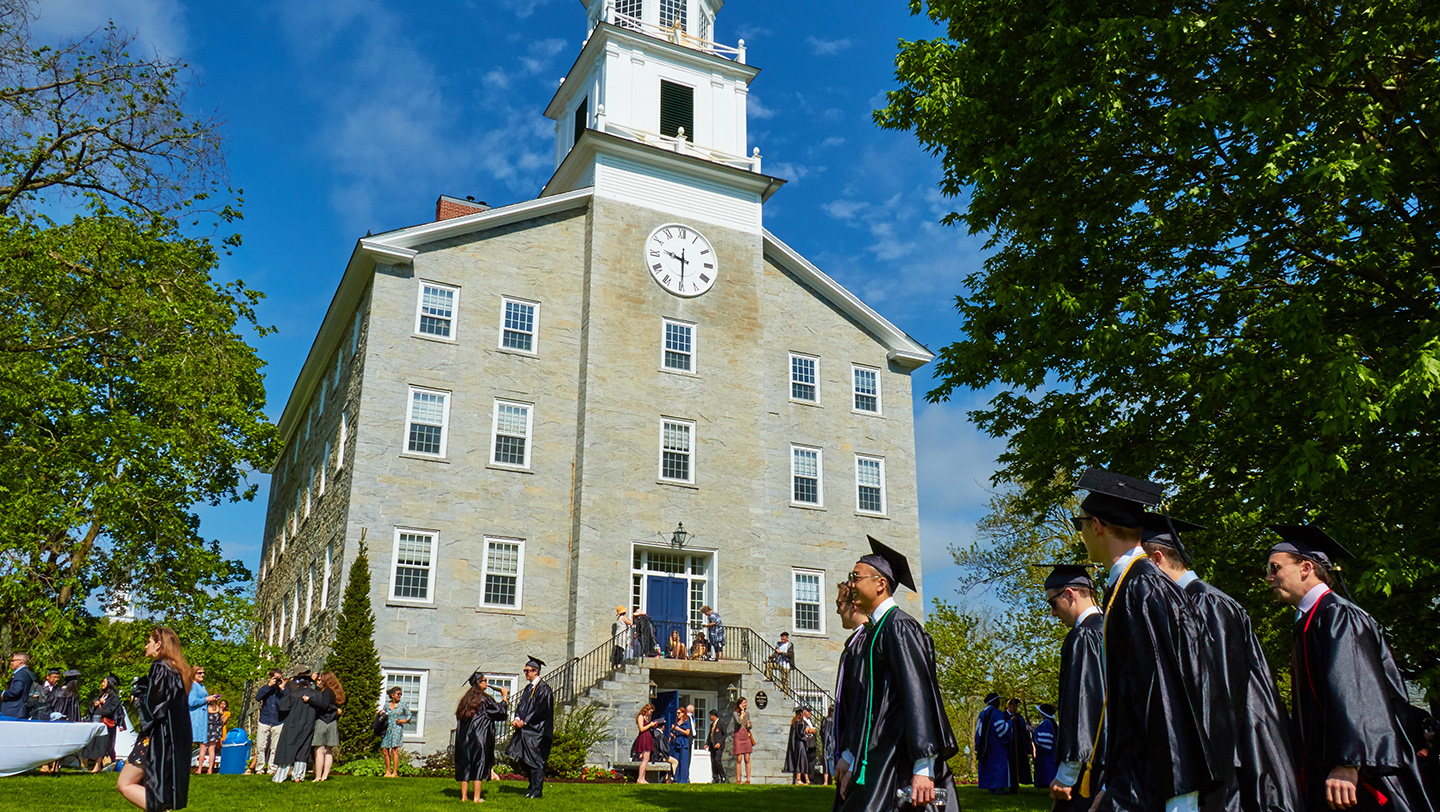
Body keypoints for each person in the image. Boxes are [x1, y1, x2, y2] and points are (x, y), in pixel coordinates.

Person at [1072, 468, 1228, 812]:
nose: (1080, 533)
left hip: (1153, 785)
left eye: (1079, 523)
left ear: (1097, 525)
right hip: (1135, 776)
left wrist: (1181, 798)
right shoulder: (1129, 585)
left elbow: (1168, 692)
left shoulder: (1144, 588)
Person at [1266, 525, 1434, 812]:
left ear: (1306, 568)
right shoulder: (1312, 618)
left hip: (1357, 775)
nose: (1268, 577)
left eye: (1274, 568)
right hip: (1329, 769)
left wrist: (1348, 761)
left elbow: (1356, 688)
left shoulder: (1337, 615)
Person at [1143, 514, 1301, 812]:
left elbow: (1220, 698)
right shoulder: (1187, 603)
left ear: (1157, 559)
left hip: (1233, 766)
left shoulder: (1205, 603)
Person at [839, 536, 960, 812]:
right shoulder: (876, 631)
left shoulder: (900, 627)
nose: (851, 584)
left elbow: (918, 694)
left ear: (880, 583)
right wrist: (852, 757)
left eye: (856, 577)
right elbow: (867, 705)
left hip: (899, 758)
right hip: (876, 756)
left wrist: (923, 766)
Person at [1040, 563, 1105, 812]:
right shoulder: (1114, 628)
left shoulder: (1084, 636)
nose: (1053, 613)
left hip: (1089, 770)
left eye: (1052, 603)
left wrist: (1067, 774)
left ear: (1069, 594)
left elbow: (1082, 704)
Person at [117, 627, 193, 811]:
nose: (146, 646)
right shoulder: (178, 670)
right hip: (172, 738)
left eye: (149, 642)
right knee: (147, 785)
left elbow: (155, 706)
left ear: (159, 644)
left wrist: (139, 695)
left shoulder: (160, 667)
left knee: (125, 783)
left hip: (155, 739)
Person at [832, 581, 871, 807]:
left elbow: (863, 703)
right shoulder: (855, 642)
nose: (837, 610)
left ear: (853, 605)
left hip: (857, 755)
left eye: (839, 604)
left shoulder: (864, 643)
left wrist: (850, 754)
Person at [455, 671, 509, 803]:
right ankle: (477, 797)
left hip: (464, 739)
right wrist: (504, 697)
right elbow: (500, 712)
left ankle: (464, 797)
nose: (487, 683)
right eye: (484, 680)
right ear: (479, 683)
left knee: (466, 765)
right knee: (479, 764)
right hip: (480, 737)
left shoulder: (465, 700)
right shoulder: (485, 699)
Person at [506, 655, 555, 799]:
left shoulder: (544, 689)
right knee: (526, 760)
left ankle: (537, 791)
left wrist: (525, 721)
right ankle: (532, 787)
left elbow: (541, 710)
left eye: (528, 671)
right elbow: (522, 706)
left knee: (536, 760)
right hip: (526, 730)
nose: (525, 673)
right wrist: (517, 718)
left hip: (537, 731)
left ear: (536, 671)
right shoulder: (528, 688)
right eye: (525, 671)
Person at [272, 671, 325, 783]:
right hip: (308, 724)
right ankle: (298, 776)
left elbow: (282, 707)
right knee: (303, 749)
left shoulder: (294, 694)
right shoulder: (316, 694)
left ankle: (280, 777)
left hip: (292, 724)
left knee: (287, 748)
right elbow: (322, 708)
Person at [83, 674, 125, 772]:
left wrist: (103, 704)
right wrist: (95, 704)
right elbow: (92, 708)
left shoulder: (114, 697)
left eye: (104, 682)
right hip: (97, 723)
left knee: (103, 745)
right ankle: (88, 765)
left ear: (110, 684)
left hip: (107, 726)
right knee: (95, 743)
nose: (102, 684)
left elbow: (111, 710)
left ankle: (99, 766)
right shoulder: (101, 695)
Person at [975, 692, 1013, 794]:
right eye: (998, 700)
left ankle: (991, 788)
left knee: (988, 766)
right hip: (996, 745)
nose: (999, 703)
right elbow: (1002, 729)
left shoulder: (982, 713)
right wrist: (1010, 722)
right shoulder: (996, 713)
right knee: (999, 765)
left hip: (984, 745)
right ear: (994, 702)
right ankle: (998, 788)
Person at [311, 671, 344, 782]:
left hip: (322, 721)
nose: (319, 681)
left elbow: (323, 705)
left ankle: (318, 776)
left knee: (319, 750)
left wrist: (309, 700)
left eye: (321, 679)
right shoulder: (335, 692)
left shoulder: (326, 691)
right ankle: (325, 776)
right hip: (332, 722)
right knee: (329, 751)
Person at [255, 669, 285, 774]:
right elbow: (258, 697)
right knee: (260, 746)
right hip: (265, 719)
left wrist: (282, 688)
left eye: (279, 678)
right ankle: (259, 768)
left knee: (275, 747)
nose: (277, 680)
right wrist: (269, 685)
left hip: (278, 720)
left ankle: (272, 769)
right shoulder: (265, 689)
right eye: (275, 678)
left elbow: (289, 699)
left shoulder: (282, 690)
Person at [187, 666, 215, 771]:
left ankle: (198, 768)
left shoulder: (202, 686)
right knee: (190, 741)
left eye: (203, 673)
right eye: (199, 673)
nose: (202, 675)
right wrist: (206, 699)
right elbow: (191, 702)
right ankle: (184, 766)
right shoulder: (193, 686)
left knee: (202, 742)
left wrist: (210, 699)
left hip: (202, 717)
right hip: (195, 717)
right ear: (193, 674)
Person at [380, 685, 411, 778]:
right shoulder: (387, 705)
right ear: (392, 695)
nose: (399, 696)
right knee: (385, 750)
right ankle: (388, 771)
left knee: (394, 750)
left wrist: (404, 721)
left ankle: (395, 772)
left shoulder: (402, 704)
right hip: (387, 729)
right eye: (398, 694)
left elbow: (409, 714)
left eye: (400, 694)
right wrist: (381, 714)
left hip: (397, 729)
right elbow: (384, 714)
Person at [631, 702, 664, 783]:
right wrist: (650, 725)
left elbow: (647, 727)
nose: (651, 713)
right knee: (645, 759)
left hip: (648, 737)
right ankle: (640, 778)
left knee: (646, 758)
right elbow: (641, 728)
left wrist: (653, 725)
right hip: (644, 737)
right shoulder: (640, 716)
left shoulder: (647, 718)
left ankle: (643, 778)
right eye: (650, 711)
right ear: (646, 709)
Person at [1006, 698, 1032, 793]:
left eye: (1016, 706)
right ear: (1009, 706)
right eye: (1014, 706)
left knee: (1019, 765)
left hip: (1019, 745)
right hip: (1009, 745)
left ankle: (1017, 783)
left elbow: (1024, 729)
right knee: (1011, 766)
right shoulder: (1004, 716)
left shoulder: (1019, 717)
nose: (1016, 708)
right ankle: (1012, 785)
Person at [786, 706, 817, 785]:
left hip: (801, 744)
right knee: (801, 761)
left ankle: (806, 779)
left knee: (803, 761)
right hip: (800, 745)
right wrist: (807, 730)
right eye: (802, 713)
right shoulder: (798, 723)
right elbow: (801, 734)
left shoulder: (798, 722)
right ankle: (799, 779)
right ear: (800, 714)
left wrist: (808, 731)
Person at [2, 651, 35, 718]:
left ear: (20, 661)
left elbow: (15, 691)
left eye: (13, 661)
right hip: (20, 709)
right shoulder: (28, 673)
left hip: (14, 710)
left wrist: (4, 694)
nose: (11, 663)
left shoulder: (20, 674)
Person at [1032, 703, 1058, 789]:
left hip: (1047, 753)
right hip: (1051, 751)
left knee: (1049, 768)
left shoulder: (1047, 723)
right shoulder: (1051, 722)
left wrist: (1034, 732)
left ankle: (1047, 783)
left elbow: (1044, 739)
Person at [733, 696, 754, 784]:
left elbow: (749, 726)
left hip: (746, 736)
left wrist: (749, 724)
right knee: (739, 759)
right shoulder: (735, 713)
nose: (745, 704)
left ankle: (748, 779)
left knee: (747, 758)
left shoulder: (747, 714)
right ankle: (738, 779)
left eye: (746, 703)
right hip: (738, 736)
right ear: (739, 704)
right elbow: (738, 722)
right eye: (744, 703)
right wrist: (741, 715)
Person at [199, 695, 222, 773]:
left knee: (202, 749)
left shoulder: (206, 708)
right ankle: (210, 769)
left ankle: (199, 769)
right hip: (215, 730)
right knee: (212, 750)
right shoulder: (219, 709)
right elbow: (221, 722)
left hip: (205, 729)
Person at [670, 707, 694, 783]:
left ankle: (683, 779)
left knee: (683, 761)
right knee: (676, 760)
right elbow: (674, 731)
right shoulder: (677, 722)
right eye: (677, 713)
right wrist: (673, 732)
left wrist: (679, 729)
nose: (677, 715)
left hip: (683, 742)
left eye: (679, 713)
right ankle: (676, 778)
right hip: (677, 741)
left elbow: (687, 732)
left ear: (683, 713)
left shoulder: (686, 722)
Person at [706, 709, 728, 783]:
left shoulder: (721, 723)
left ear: (713, 716)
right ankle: (715, 778)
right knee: (713, 761)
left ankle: (723, 776)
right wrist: (707, 744)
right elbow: (710, 735)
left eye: (710, 716)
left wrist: (719, 743)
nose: (710, 717)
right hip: (712, 746)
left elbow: (724, 734)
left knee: (717, 760)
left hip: (719, 746)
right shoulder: (711, 725)